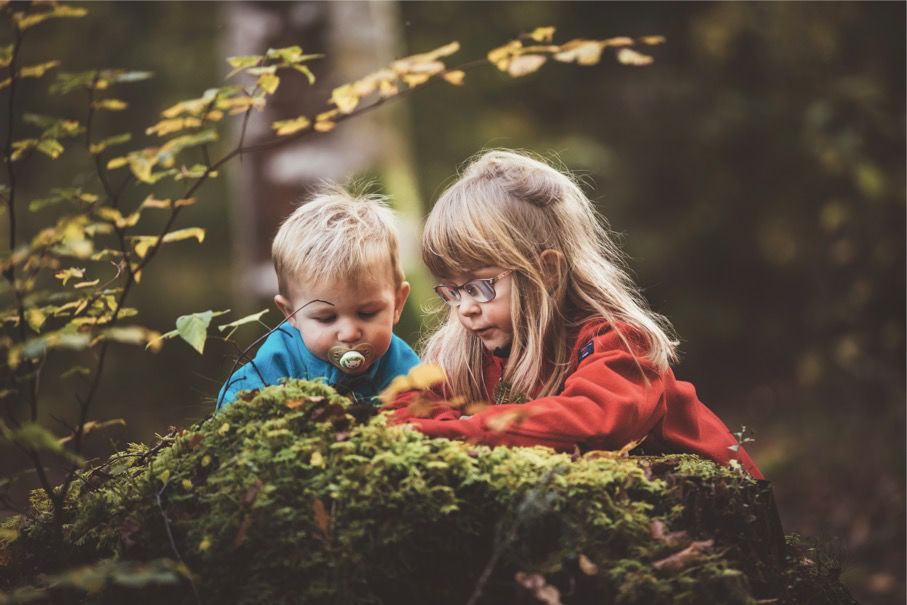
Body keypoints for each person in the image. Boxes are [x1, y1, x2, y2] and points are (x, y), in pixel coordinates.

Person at [386, 150, 763, 479]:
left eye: (480, 287)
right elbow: (403, 411)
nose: (465, 308)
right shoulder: (466, 353)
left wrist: (465, 431)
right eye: (451, 291)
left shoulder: (618, 344)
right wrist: (453, 430)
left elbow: (594, 420)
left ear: (547, 271)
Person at [216, 185, 419, 411]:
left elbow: (428, 409)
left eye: (367, 313)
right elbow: (233, 404)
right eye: (326, 318)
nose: (350, 333)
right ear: (290, 313)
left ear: (398, 303)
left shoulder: (401, 364)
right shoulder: (281, 359)